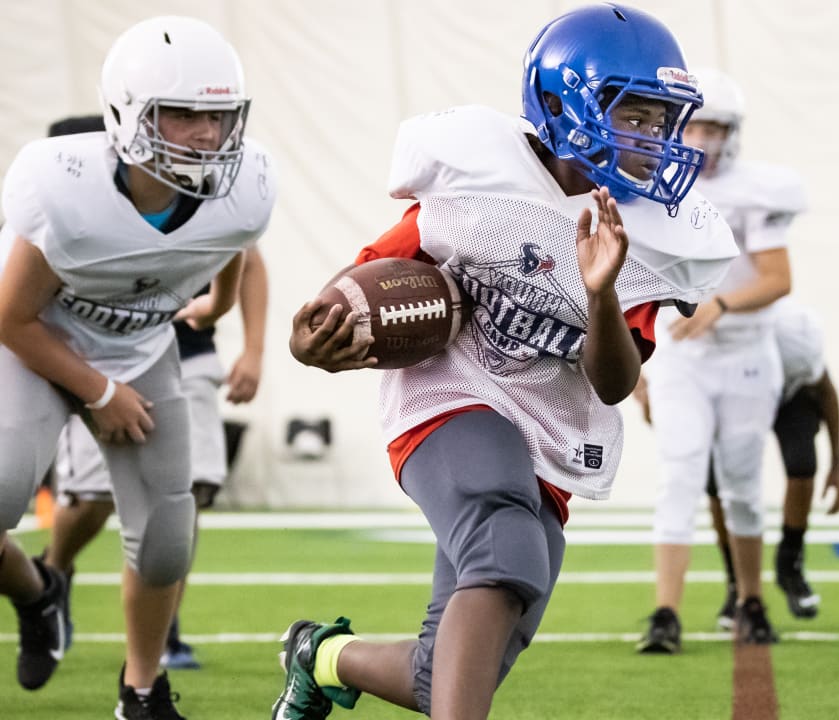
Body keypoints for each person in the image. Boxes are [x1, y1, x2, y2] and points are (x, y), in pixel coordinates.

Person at [273, 5, 736, 719]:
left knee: (452, 673)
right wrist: (317, 340)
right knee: (505, 546)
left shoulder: (644, 230)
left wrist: (601, 291)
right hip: (448, 398)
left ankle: (320, 656)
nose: (654, 141)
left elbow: (612, 384)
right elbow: (368, 280)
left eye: (661, 121)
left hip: (547, 435)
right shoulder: (480, 176)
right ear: (562, 105)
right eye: (633, 117)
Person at [0, 15, 273, 719]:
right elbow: (12, 317)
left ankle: (143, 695)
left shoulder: (244, 187)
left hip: (140, 347)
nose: (207, 136)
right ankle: (37, 594)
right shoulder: (61, 186)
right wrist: (99, 391)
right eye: (183, 115)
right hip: (37, 345)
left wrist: (216, 307)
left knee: (164, 540)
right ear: (127, 113)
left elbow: (231, 236)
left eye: (217, 117)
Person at [637, 67, 799, 653]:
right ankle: (665, 613)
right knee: (678, 477)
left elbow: (779, 278)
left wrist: (723, 303)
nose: (702, 138)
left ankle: (750, 600)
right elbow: (637, 281)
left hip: (745, 353)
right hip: (680, 353)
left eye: (714, 127)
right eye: (694, 124)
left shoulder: (756, 189)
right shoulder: (647, 184)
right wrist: (636, 368)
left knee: (742, 485)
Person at [705, 297, 839, 628]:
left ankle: (790, 562)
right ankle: (736, 579)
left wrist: (837, 464)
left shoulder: (797, 337)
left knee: (802, 462)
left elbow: (826, 393)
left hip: (789, 398)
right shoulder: (722, 343)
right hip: (736, 390)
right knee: (716, 483)